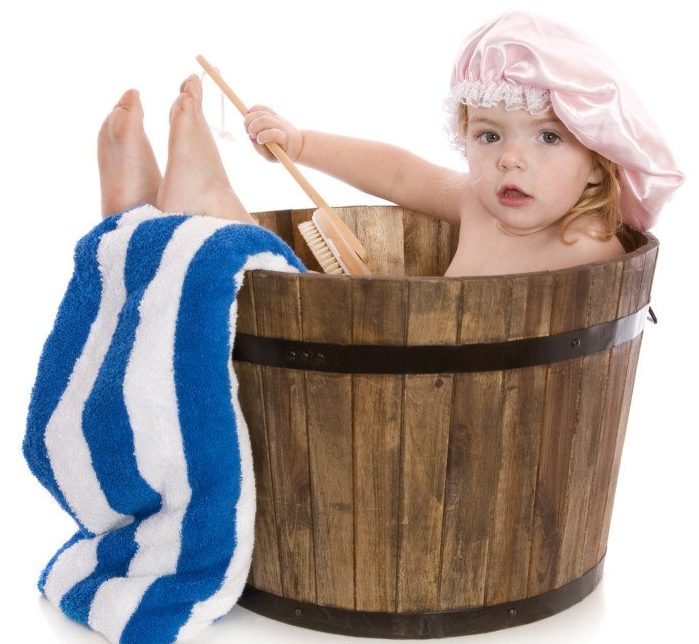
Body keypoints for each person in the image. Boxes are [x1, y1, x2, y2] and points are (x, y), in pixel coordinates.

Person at [243, 11, 684, 276]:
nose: (510, 160)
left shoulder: (588, 250)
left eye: (549, 137)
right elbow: (399, 173)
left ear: (596, 161)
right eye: (489, 136)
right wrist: (301, 145)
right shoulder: (475, 204)